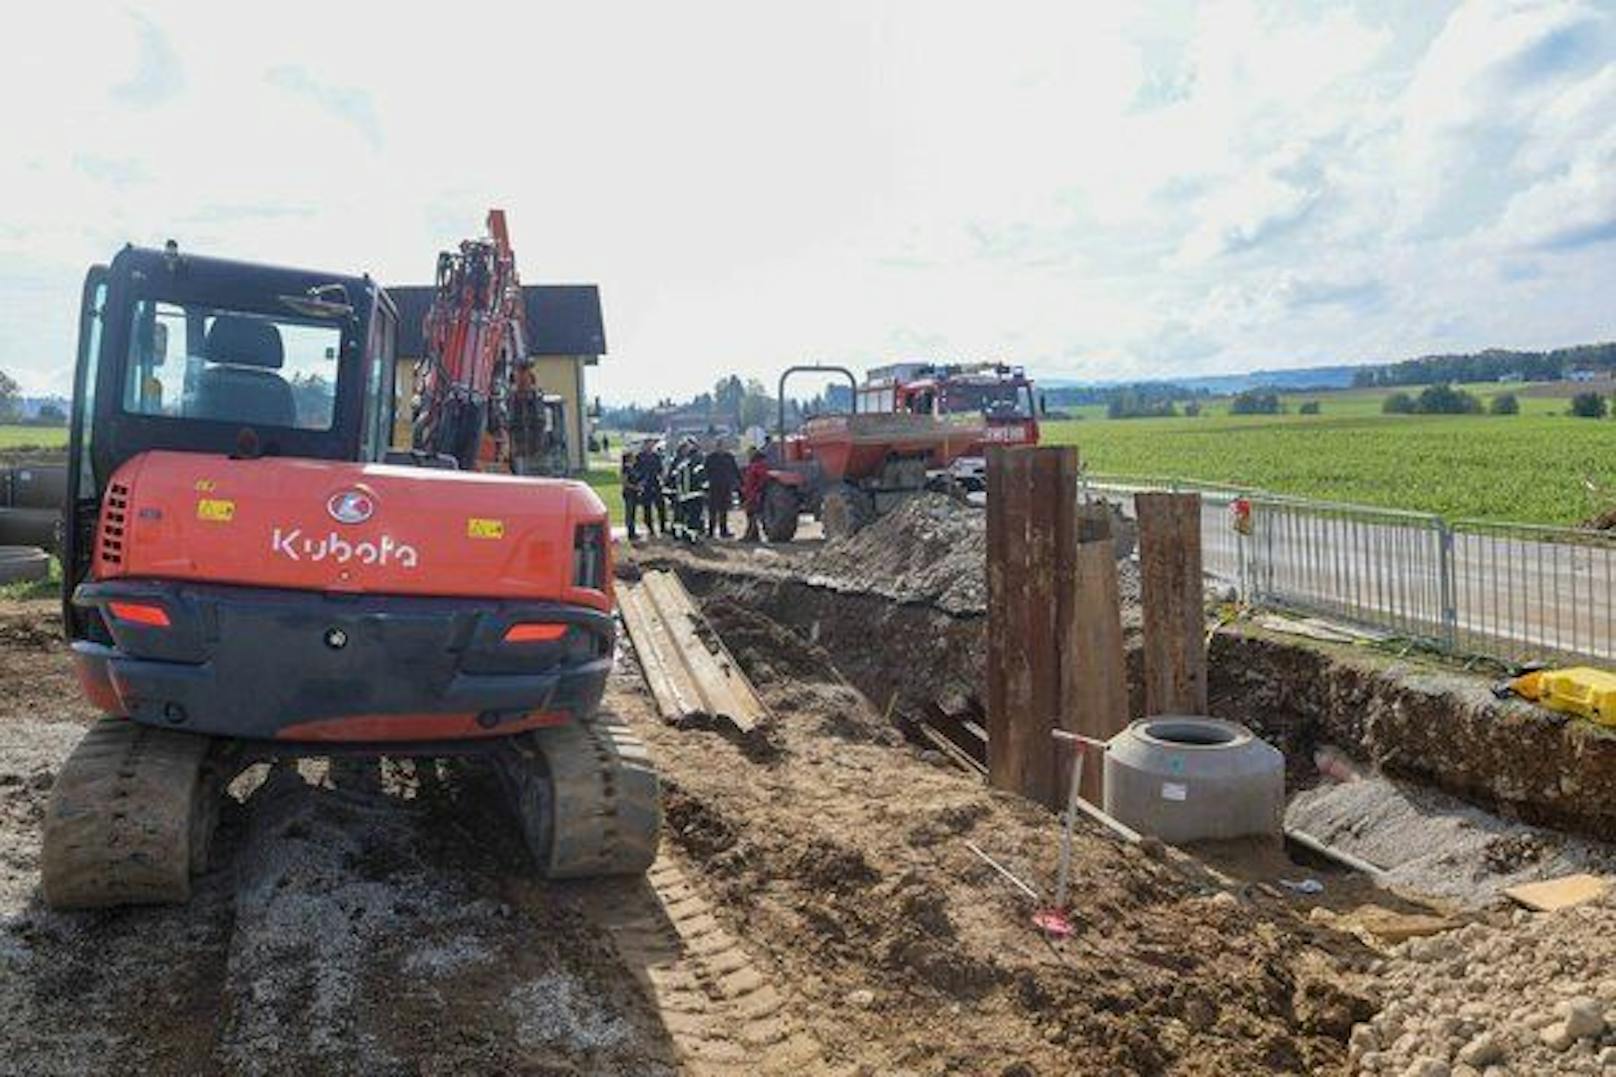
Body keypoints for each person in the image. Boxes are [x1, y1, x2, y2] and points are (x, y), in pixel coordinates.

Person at [669, 439, 708, 542]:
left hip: (682, 495)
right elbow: (702, 477)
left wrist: (672, 492)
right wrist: (706, 489)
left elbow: (672, 478)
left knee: (680, 517)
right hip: (694, 494)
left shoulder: (680, 463)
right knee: (694, 517)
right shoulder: (696, 462)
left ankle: (679, 535)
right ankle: (691, 538)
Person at [704, 440, 742, 538]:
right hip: (713, 486)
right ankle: (711, 532)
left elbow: (735, 470)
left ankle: (723, 531)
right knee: (712, 510)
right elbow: (705, 472)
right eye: (719, 446)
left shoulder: (729, 457)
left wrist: (740, 482)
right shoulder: (710, 458)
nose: (721, 448)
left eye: (723, 446)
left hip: (726, 486)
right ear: (716, 447)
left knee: (724, 510)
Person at [630, 439, 666, 537]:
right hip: (646, 485)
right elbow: (634, 470)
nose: (650, 446)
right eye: (648, 444)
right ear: (644, 445)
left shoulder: (656, 456)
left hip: (656, 483)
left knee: (661, 506)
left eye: (651, 444)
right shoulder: (639, 457)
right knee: (647, 508)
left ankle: (663, 527)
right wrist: (640, 480)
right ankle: (650, 528)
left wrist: (662, 479)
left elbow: (661, 470)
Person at [740, 448, 770, 542]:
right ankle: (753, 535)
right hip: (750, 493)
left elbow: (762, 480)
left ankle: (751, 535)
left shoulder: (759, 465)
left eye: (750, 454)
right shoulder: (753, 465)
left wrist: (756, 491)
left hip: (754, 494)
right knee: (750, 515)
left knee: (753, 516)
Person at [620, 449, 642, 540]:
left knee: (633, 513)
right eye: (633, 457)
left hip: (634, 493)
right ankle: (630, 533)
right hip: (629, 493)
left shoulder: (632, 468)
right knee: (629, 513)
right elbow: (624, 482)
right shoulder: (625, 468)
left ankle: (633, 531)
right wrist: (635, 487)